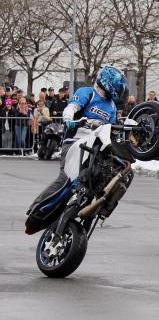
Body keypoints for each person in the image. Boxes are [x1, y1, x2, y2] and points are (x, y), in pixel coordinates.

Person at [28, 66, 127, 212]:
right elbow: (71, 108)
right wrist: (69, 120)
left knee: (100, 177)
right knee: (66, 179)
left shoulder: (112, 106)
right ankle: (36, 207)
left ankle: (93, 208)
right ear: (108, 81)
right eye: (118, 86)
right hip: (74, 143)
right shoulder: (88, 92)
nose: (120, 90)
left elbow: (111, 128)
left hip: (94, 148)